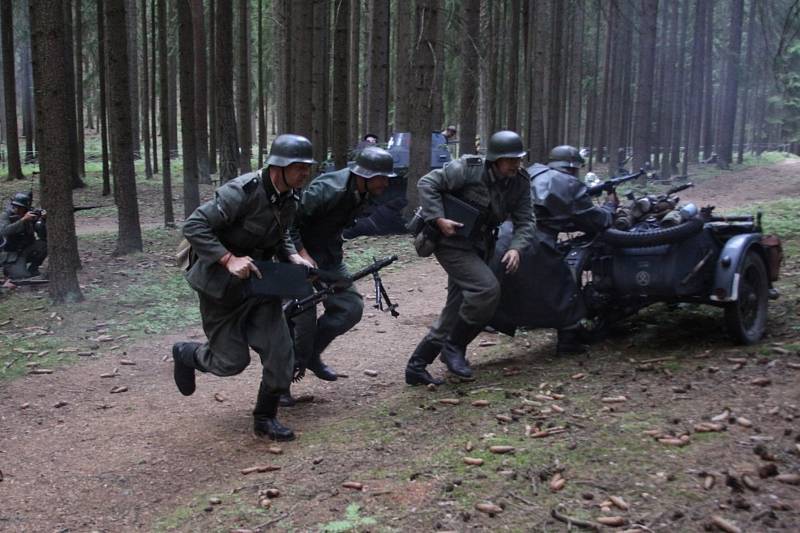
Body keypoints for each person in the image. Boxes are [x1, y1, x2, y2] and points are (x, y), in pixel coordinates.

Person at [171, 134, 316, 441]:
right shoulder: (242, 191)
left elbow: (280, 231)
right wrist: (227, 259)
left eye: (307, 167)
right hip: (220, 288)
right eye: (299, 167)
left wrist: (291, 255)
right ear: (279, 167)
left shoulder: (290, 196)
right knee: (230, 362)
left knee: (280, 352)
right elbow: (194, 225)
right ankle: (186, 354)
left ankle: (265, 418)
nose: (305, 173)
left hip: (261, 284)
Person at [404, 130, 535, 386]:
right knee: (485, 290)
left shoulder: (519, 181)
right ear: (495, 160)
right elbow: (427, 184)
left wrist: (516, 247)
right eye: (510, 160)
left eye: (518, 159)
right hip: (450, 242)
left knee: (457, 306)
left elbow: (526, 219)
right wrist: (438, 218)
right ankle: (453, 346)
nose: (515, 165)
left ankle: (416, 365)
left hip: (480, 244)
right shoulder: (468, 168)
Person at [283, 147, 396, 405]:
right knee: (301, 319)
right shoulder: (329, 189)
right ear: (365, 175)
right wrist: (300, 254)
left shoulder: (364, 191)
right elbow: (288, 222)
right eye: (382, 177)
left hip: (328, 256)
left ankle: (311, 355)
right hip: (294, 255)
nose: (386, 183)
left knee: (350, 307)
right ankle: (280, 384)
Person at [493, 144, 617, 355]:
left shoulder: (531, 172)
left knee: (494, 290)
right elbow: (595, 221)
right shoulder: (569, 183)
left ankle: (458, 343)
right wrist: (610, 206)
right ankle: (569, 342)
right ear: (572, 168)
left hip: (501, 234)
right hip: (533, 241)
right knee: (565, 288)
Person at [0, 192, 47, 279]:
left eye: (20, 207)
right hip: (11, 254)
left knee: (44, 245)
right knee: (21, 276)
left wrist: (42, 221)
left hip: (26, 249)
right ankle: (9, 268)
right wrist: (23, 220)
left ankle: (33, 269)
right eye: (15, 206)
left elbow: (43, 235)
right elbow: (4, 231)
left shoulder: (31, 215)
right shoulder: (6, 215)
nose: (17, 209)